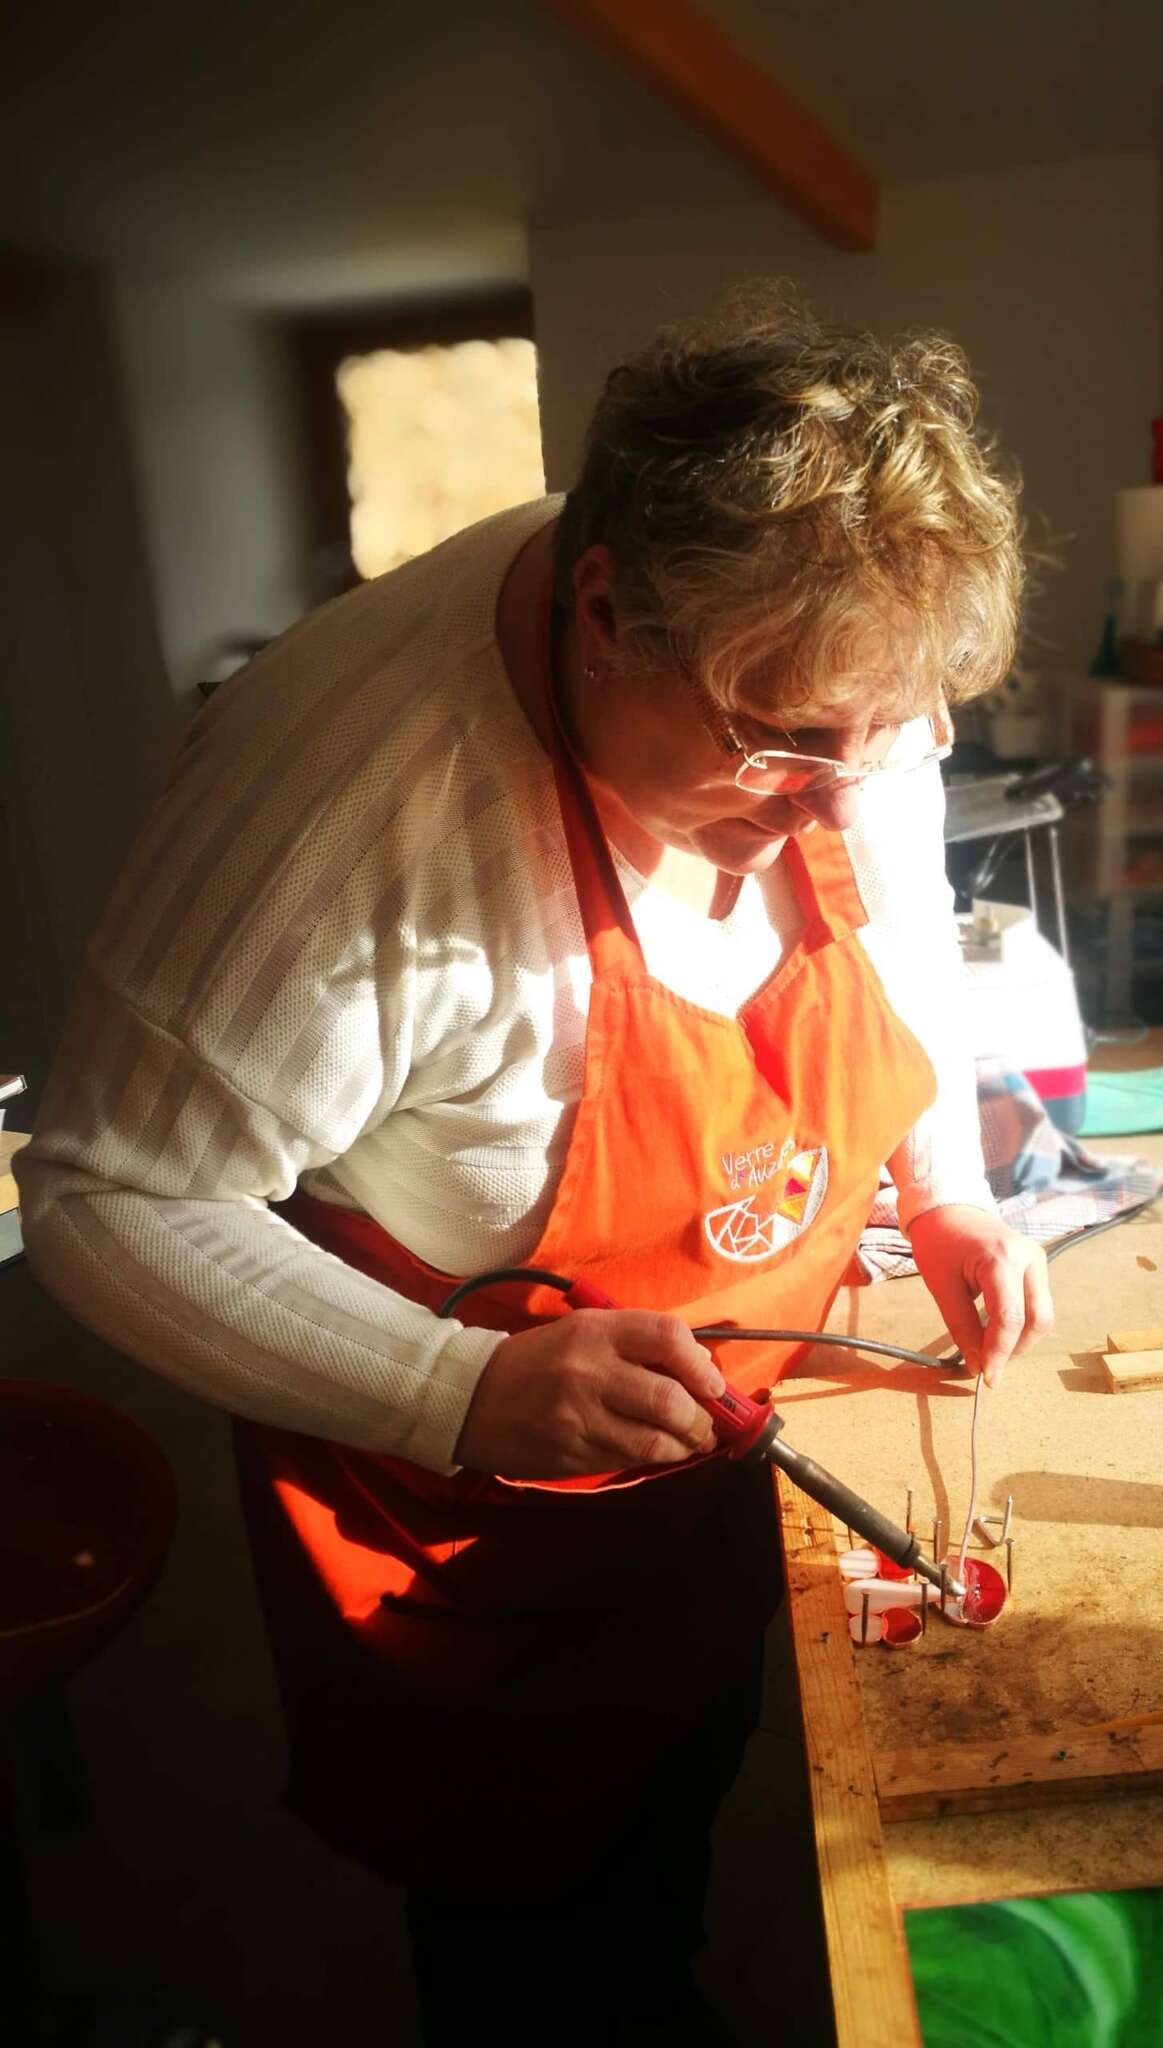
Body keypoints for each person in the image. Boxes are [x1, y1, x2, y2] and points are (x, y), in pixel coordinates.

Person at [19, 288, 1053, 2041]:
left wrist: (934, 1173)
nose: (841, 800)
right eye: (786, 745)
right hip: (466, 1515)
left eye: (890, 738)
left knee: (695, 1796)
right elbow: (106, 1194)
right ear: (604, 613)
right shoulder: (351, 807)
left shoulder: (839, 693)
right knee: (540, 1940)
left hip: (730, 1424)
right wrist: (453, 1389)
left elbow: (898, 923)